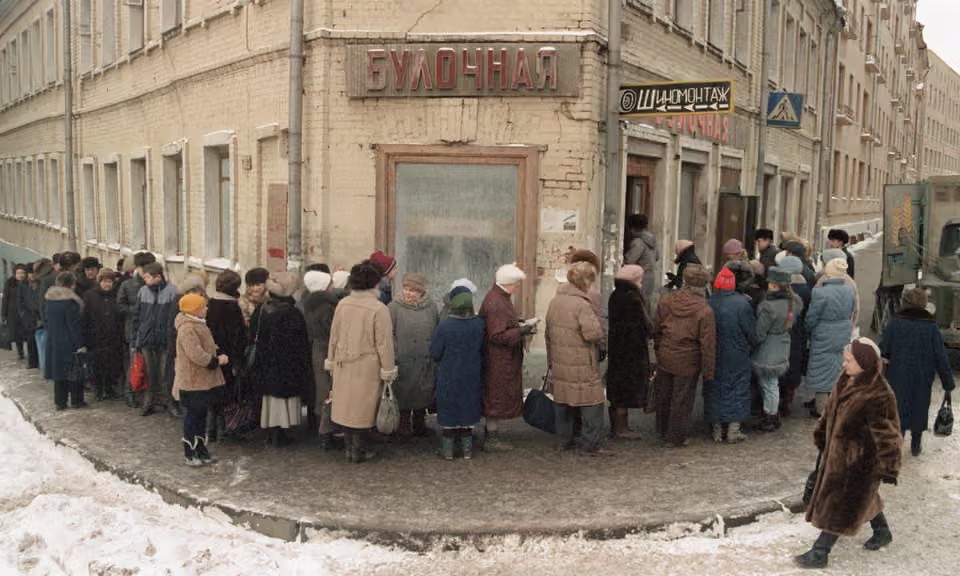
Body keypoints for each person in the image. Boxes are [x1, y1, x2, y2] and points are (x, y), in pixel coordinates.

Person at [795, 338, 901, 569]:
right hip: (837, 455)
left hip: (860, 461)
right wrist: (822, 435)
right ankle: (882, 531)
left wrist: (889, 466)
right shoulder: (845, 381)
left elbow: (889, 435)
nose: (844, 365)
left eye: (849, 361)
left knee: (841, 503)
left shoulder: (879, 394)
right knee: (863, 497)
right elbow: (829, 412)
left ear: (863, 362)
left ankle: (820, 552)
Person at [327, 261, 398, 463]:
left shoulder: (343, 304)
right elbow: (384, 344)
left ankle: (349, 448)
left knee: (346, 408)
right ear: (375, 283)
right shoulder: (378, 308)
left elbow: (334, 335)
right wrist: (388, 369)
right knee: (362, 410)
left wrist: (331, 359)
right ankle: (359, 449)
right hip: (367, 366)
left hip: (343, 363)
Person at [880, 288, 955, 456]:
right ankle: (916, 444)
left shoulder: (895, 322)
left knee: (898, 408)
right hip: (922, 376)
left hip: (897, 374)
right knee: (919, 407)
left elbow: (884, 348)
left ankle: (897, 442)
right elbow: (940, 356)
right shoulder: (930, 327)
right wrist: (948, 383)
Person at [546, 262, 608, 455]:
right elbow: (592, 333)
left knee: (563, 400)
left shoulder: (556, 301)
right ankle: (591, 444)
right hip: (581, 361)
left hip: (559, 360)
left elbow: (548, 332)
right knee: (592, 401)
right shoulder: (582, 304)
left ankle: (563, 440)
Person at [652, 264, 716, 447]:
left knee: (664, 394)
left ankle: (663, 430)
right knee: (682, 399)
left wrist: (659, 349)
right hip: (688, 359)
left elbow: (657, 328)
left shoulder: (666, 301)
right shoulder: (705, 311)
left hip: (666, 353)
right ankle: (675, 437)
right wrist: (708, 371)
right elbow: (708, 343)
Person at [479, 263, 537, 452]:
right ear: (509, 283)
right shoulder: (497, 301)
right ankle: (491, 438)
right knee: (494, 397)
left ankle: (491, 434)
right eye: (516, 284)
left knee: (495, 396)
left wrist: (518, 326)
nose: (517, 287)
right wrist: (521, 331)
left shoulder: (498, 297)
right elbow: (496, 335)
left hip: (501, 357)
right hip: (499, 359)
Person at [255, 271, 311, 446]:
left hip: (267, 363)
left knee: (271, 400)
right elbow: (300, 342)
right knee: (283, 400)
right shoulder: (292, 313)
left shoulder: (263, 309)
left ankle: (273, 431)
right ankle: (280, 432)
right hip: (287, 365)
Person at [172, 293, 228, 466]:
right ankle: (190, 452)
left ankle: (201, 450)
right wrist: (215, 360)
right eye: (203, 306)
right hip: (192, 381)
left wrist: (215, 350)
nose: (207, 309)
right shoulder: (188, 327)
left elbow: (204, 346)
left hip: (201, 381)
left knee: (201, 415)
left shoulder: (198, 324)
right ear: (195, 310)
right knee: (193, 416)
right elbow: (195, 353)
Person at [431, 285, 485, 460]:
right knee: (467, 410)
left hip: (449, 374)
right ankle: (467, 451)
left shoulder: (446, 326)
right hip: (472, 374)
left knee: (449, 413)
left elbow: (435, 352)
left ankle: (448, 452)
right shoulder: (478, 325)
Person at [705, 267, 755, 443]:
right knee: (738, 387)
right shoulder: (742, 303)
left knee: (714, 387)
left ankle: (717, 429)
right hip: (737, 352)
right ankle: (733, 428)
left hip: (714, 352)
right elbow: (750, 331)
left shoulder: (710, 302)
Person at [804, 257, 857, 417]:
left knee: (821, 369)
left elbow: (812, 317)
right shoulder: (850, 290)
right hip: (843, 331)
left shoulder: (820, 292)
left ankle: (822, 410)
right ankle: (835, 405)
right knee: (838, 367)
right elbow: (853, 310)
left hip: (824, 332)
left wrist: (808, 329)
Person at [752, 265, 802, 432]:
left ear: (774, 285)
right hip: (784, 343)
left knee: (769, 384)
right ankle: (772, 413)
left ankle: (770, 416)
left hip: (768, 347)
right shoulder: (793, 302)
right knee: (772, 383)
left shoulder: (768, 306)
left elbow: (760, 333)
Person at [388, 273, 439, 437]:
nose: (408, 293)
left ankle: (419, 422)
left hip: (425, 357)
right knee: (404, 391)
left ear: (421, 292)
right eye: (406, 289)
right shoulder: (394, 307)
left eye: (413, 290)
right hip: (403, 358)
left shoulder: (430, 307)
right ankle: (403, 424)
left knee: (422, 390)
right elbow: (388, 333)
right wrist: (395, 353)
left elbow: (436, 329)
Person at [605, 264, 651, 440]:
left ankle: (617, 427)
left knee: (617, 389)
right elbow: (644, 324)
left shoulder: (616, 295)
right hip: (632, 350)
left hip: (618, 348)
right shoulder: (633, 298)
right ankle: (621, 429)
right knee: (624, 390)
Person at [132, 262, 180, 417]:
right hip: (147, 338)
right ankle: (149, 401)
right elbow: (137, 316)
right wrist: (136, 338)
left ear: (158, 277)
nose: (145, 280)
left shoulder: (172, 292)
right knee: (149, 373)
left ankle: (170, 402)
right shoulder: (143, 291)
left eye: (147, 277)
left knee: (166, 372)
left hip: (165, 339)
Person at [205, 270, 248, 442]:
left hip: (213, 354)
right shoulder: (232, 307)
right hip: (229, 356)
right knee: (228, 392)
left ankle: (212, 428)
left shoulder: (211, 303)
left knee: (213, 391)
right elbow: (237, 336)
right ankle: (228, 427)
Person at [302, 269, 341, 448]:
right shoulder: (326, 307)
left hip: (318, 350)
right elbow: (333, 331)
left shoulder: (309, 304)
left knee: (323, 391)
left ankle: (324, 431)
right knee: (327, 391)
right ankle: (326, 432)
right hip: (326, 350)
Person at [117, 251, 156, 407]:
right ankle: (130, 393)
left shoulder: (155, 282)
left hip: (151, 330)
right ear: (138, 268)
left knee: (151, 365)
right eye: (144, 267)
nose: (146, 270)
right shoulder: (128, 285)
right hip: (134, 329)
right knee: (135, 363)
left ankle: (150, 395)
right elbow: (120, 306)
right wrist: (137, 309)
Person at [44, 272, 87, 410]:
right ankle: (76, 400)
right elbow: (73, 326)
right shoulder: (70, 302)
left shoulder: (49, 300)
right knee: (74, 371)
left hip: (54, 340)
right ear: (71, 284)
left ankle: (60, 402)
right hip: (69, 342)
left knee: (59, 373)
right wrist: (80, 344)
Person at [777, 256, 812, 417]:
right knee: (794, 363)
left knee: (780, 362)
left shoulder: (782, 288)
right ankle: (789, 399)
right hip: (799, 333)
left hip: (783, 331)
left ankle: (778, 398)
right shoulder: (806, 289)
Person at [82, 270, 125, 400]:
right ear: (99, 282)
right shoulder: (90, 295)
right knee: (96, 364)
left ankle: (109, 388)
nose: (107, 284)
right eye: (105, 281)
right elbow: (85, 317)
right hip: (95, 336)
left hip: (112, 336)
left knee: (111, 364)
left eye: (110, 282)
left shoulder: (116, 296)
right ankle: (98, 389)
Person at [623, 214, 660, 309]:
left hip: (639, 278)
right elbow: (657, 257)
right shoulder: (652, 240)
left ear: (633, 228)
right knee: (646, 304)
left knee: (638, 305)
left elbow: (629, 260)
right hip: (650, 276)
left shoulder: (638, 242)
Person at [17, 264, 41, 369]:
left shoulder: (41, 284)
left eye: (34, 273)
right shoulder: (23, 285)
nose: (32, 275)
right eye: (30, 273)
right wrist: (24, 315)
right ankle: (32, 362)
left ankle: (41, 361)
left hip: (40, 316)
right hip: (29, 317)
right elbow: (20, 302)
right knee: (30, 340)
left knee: (41, 339)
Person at [2, 265, 25, 359]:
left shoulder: (27, 283)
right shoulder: (9, 283)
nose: (21, 275)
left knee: (26, 332)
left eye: (23, 273)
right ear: (15, 274)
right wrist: (3, 314)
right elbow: (5, 299)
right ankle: (20, 352)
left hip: (25, 311)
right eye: (19, 273)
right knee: (17, 334)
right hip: (13, 312)